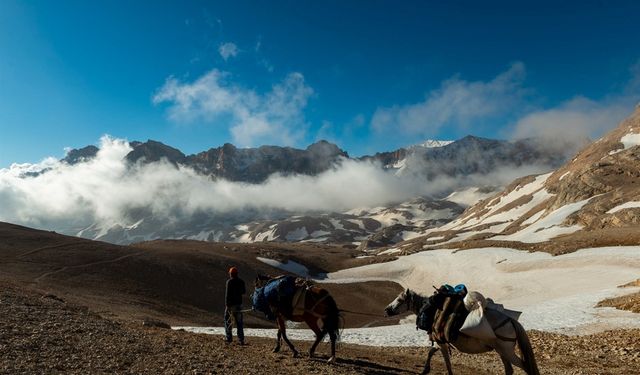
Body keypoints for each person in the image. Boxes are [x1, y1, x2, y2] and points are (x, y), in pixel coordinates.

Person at [224, 266, 246, 345]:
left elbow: (227, 295)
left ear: (231, 274)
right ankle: (241, 340)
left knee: (227, 320)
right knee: (239, 323)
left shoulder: (229, 282)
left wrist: (227, 305)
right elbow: (243, 292)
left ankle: (229, 338)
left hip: (231, 306)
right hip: (239, 305)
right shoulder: (241, 281)